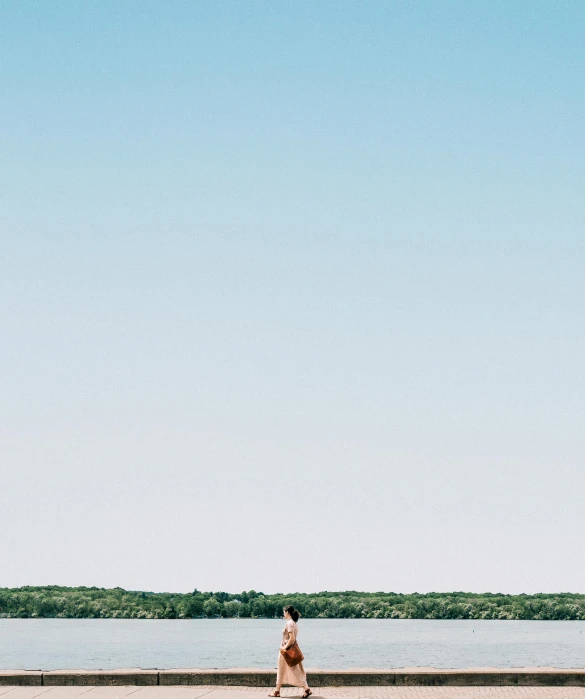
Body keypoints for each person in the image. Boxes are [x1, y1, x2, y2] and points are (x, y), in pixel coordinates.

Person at [269, 605, 312, 698]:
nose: (283, 614)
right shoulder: (294, 623)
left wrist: (284, 648)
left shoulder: (289, 623)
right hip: (291, 650)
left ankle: (277, 691)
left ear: (287, 612)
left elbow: (292, 638)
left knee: (283, 670)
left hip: (287, 651)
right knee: (294, 670)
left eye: (284, 612)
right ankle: (306, 689)